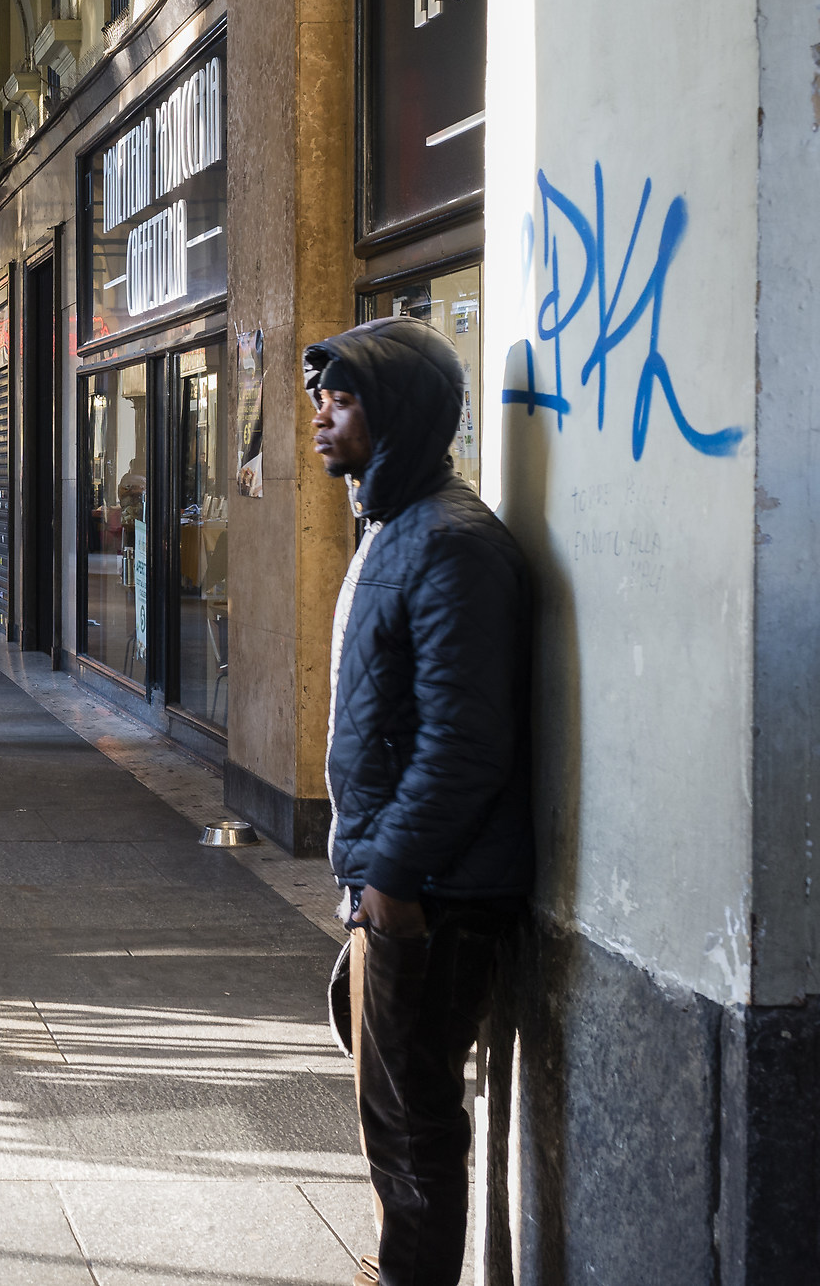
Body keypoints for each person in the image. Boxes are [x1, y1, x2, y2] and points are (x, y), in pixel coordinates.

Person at [305, 317, 531, 1286]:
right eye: (323, 394)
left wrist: (392, 875)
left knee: (416, 1123)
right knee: (392, 1106)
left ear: (398, 413)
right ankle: (402, 1262)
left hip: (432, 891)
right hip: (399, 879)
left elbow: (463, 743)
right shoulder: (397, 526)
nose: (321, 413)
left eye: (343, 397)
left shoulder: (452, 545)